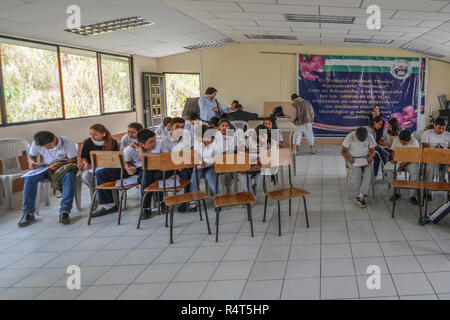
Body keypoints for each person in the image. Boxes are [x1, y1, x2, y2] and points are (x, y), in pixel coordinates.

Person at [19, 131, 78, 227]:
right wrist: (31, 163)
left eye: (48, 145)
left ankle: (64, 211)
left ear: (54, 139)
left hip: (64, 165)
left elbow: (74, 160)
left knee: (69, 177)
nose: (46, 148)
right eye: (44, 147)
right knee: (29, 178)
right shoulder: (37, 143)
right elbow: (32, 156)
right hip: (46, 166)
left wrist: (60, 164)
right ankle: (28, 213)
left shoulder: (67, 142)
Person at [123, 129, 162, 219]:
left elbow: (148, 162)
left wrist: (140, 150)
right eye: (151, 142)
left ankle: (148, 206)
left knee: (153, 175)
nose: (154, 143)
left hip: (155, 167)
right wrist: (128, 167)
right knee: (146, 173)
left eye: (154, 140)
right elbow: (126, 162)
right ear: (141, 144)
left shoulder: (157, 145)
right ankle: (152, 204)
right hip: (140, 169)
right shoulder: (129, 149)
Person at [341, 127, 376, 208]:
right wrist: (350, 159)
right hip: (352, 158)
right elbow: (343, 152)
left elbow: (372, 151)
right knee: (357, 171)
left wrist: (370, 157)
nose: (361, 141)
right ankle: (362, 195)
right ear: (356, 135)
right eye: (359, 139)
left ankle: (360, 195)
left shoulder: (370, 136)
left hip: (365, 158)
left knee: (369, 169)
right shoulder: (350, 136)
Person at [80, 124, 119, 189]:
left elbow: (115, 158)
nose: (92, 137)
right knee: (85, 176)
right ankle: (96, 189)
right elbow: (84, 157)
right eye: (91, 134)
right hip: (92, 167)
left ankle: (103, 191)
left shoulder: (112, 142)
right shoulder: (87, 142)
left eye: (95, 135)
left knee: (102, 176)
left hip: (108, 167)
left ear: (103, 134)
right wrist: (86, 164)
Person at [386, 130, 420, 205]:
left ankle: (412, 196)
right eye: (401, 142)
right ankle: (396, 193)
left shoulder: (415, 142)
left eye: (405, 143)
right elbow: (393, 151)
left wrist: (405, 162)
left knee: (415, 173)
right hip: (398, 160)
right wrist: (395, 158)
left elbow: (415, 156)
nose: (402, 143)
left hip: (410, 161)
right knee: (389, 171)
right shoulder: (396, 140)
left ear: (409, 139)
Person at [422, 118, 450, 192]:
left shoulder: (448, 135)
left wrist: (443, 151)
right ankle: (428, 191)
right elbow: (425, 147)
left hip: (445, 158)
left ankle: (443, 185)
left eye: (443, 128)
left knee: (448, 167)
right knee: (430, 169)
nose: (441, 130)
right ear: (434, 126)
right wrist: (435, 151)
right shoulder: (427, 133)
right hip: (432, 157)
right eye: (439, 128)